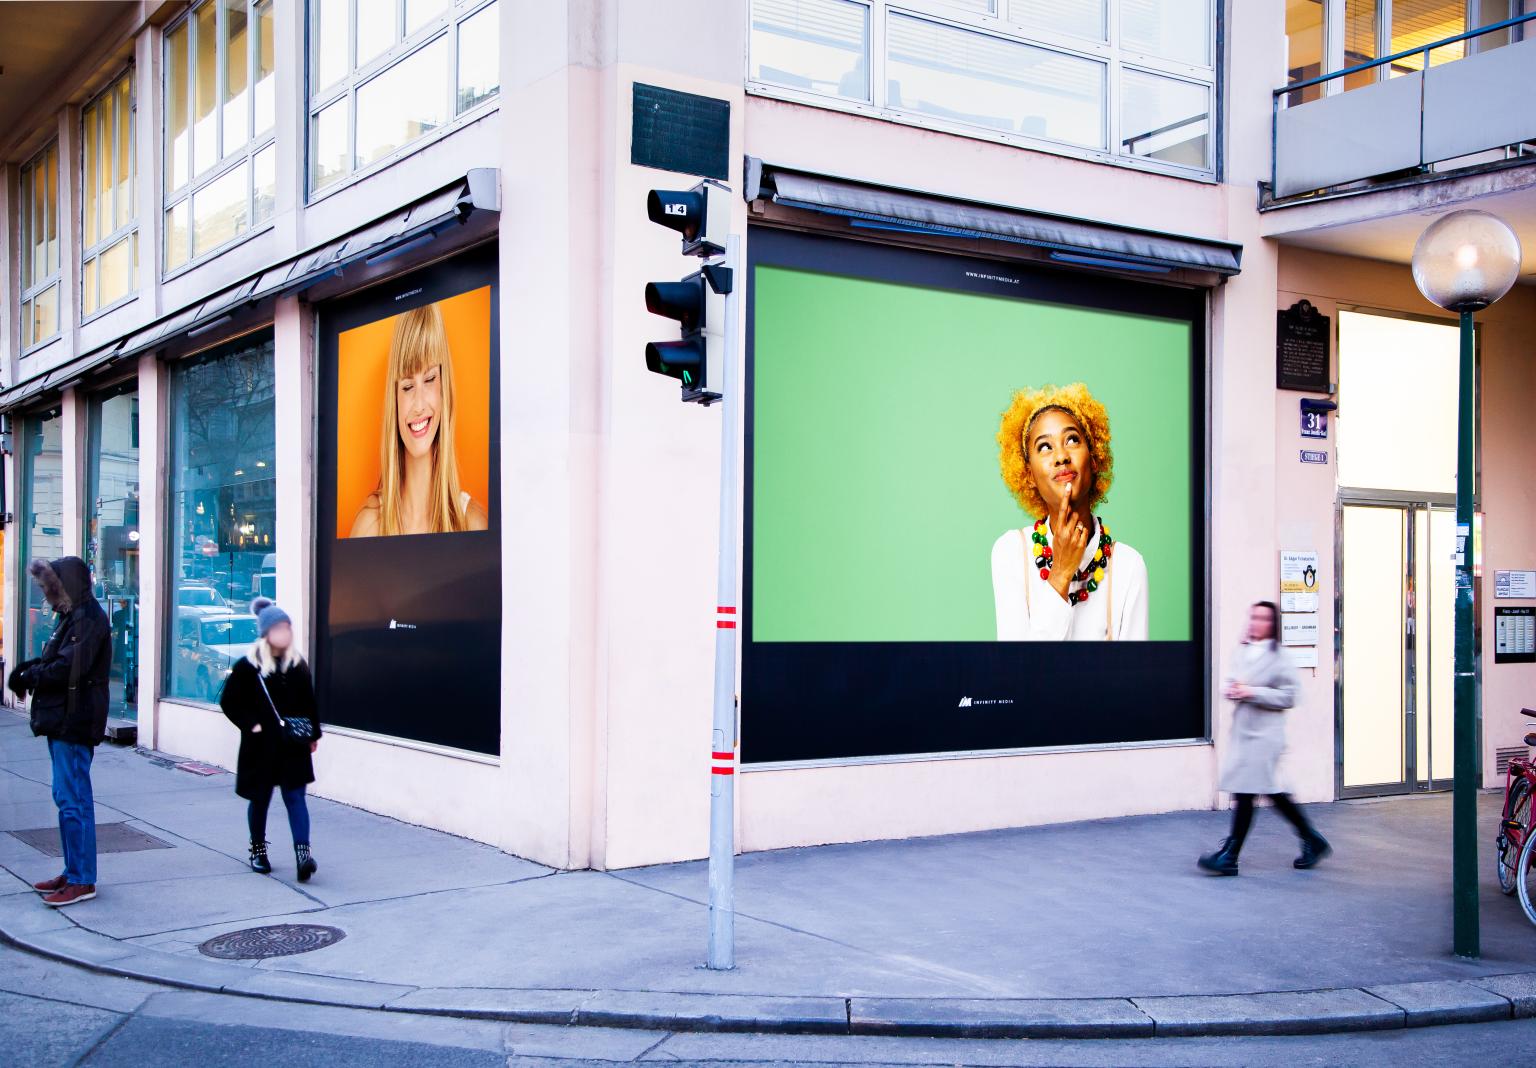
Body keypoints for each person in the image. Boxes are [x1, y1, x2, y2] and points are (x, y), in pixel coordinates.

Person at [991, 383, 1148, 640]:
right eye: (1044, 446)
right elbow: (1016, 674)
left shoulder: (1129, 566)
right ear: (1028, 475)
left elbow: (1134, 678)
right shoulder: (1010, 552)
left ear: (1094, 459)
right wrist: (1060, 574)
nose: (1061, 456)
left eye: (1072, 440)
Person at [7, 557, 112, 907]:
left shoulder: (88, 619)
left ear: (66, 585)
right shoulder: (72, 616)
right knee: (66, 798)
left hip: (74, 720)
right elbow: (58, 660)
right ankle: (73, 871)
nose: (46, 594)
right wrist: (29, 669)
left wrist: (31, 675)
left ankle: (82, 879)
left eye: (50, 587)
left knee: (74, 800)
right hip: (64, 719)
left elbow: (69, 666)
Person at [1199, 601, 1332, 876]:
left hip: (1265, 737)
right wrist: (1232, 690)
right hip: (1245, 735)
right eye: (1253, 617)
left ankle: (1230, 855)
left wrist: (1252, 692)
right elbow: (1234, 682)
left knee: (1247, 793)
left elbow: (1289, 696)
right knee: (1271, 792)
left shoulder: (1280, 657)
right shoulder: (1243, 651)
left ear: (1272, 624)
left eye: (1262, 618)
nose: (1255, 622)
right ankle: (1312, 839)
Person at [349, 303, 488, 537]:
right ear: (394, 399)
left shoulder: (474, 523)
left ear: (445, 387)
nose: (419, 404)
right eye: (407, 386)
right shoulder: (367, 526)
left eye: (431, 378)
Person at [218, 597, 322, 881]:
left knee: (296, 798)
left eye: (287, 627)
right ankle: (258, 850)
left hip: (292, 745)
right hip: (261, 747)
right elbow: (229, 701)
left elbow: (309, 703)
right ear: (266, 632)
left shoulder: (297, 664)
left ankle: (303, 855)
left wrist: (313, 734)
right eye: (279, 628)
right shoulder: (248, 666)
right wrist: (251, 725)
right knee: (260, 798)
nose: (284, 633)